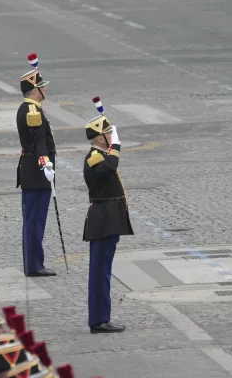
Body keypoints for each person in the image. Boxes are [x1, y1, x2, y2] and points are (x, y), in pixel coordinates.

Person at [82, 104, 133, 334]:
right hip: (102, 220)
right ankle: (99, 319)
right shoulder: (95, 156)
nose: (112, 136)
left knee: (102, 270)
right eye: (108, 133)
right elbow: (110, 168)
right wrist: (117, 145)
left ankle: (101, 317)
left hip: (107, 219)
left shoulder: (101, 153)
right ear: (100, 138)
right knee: (100, 272)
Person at [15, 55, 56, 277]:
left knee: (34, 220)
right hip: (37, 172)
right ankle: (34, 265)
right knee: (34, 221)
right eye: (41, 87)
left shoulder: (30, 109)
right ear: (34, 91)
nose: (45, 91)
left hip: (33, 171)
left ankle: (33, 263)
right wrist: (45, 163)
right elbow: (39, 140)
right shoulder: (32, 111)